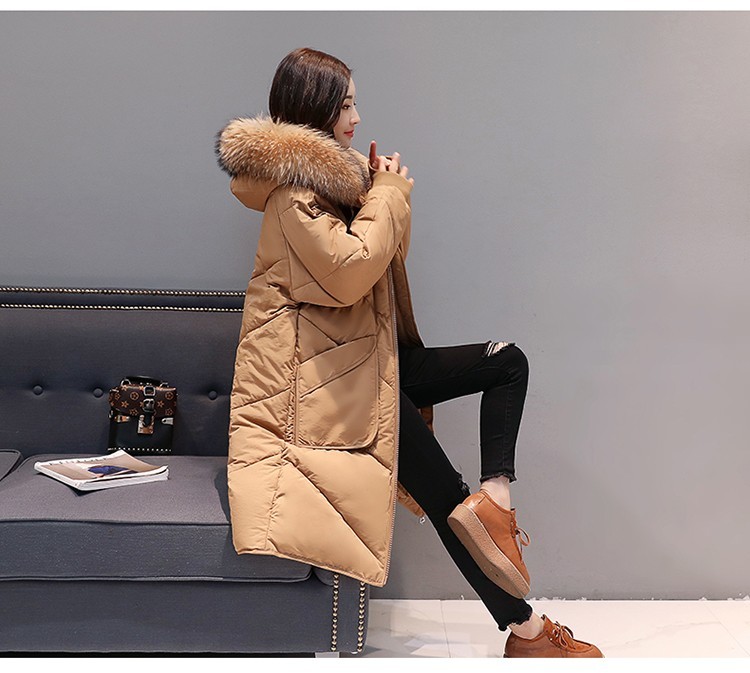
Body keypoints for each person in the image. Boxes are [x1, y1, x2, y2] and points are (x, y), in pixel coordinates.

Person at [215, 46, 603, 659]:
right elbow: (349, 272)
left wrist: (382, 192)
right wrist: (388, 195)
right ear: (315, 107)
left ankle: (497, 498)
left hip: (370, 359)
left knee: (507, 362)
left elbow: (383, 264)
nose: (356, 117)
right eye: (346, 104)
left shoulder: (330, 187)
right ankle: (527, 631)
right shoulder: (292, 197)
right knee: (447, 496)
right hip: (331, 383)